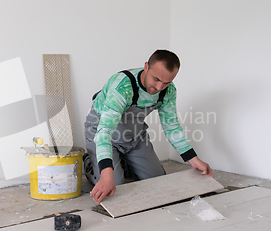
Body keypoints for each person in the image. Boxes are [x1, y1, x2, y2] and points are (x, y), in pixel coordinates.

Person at [84, 49, 212, 204]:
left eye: (166, 82)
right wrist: (106, 174)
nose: (159, 87)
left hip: (134, 135)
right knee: (114, 187)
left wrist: (193, 159)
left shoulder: (168, 91)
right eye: (156, 79)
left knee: (157, 183)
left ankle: (123, 163)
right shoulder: (122, 87)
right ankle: (90, 164)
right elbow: (105, 132)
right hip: (102, 133)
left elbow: (172, 127)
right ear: (146, 67)